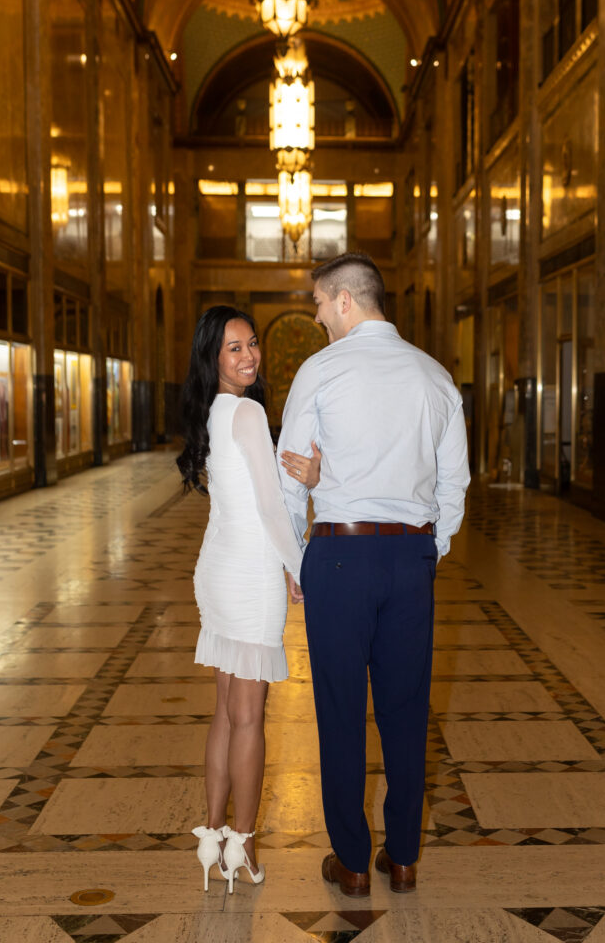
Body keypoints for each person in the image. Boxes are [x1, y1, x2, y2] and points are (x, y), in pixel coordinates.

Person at [278, 253, 470, 896]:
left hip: (339, 554)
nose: (314, 315)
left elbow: (290, 469)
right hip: (409, 557)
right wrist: (428, 552)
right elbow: (455, 482)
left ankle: (354, 862)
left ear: (343, 301)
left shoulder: (321, 370)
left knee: (339, 710)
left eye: (317, 303)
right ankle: (405, 858)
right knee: (406, 710)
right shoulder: (435, 376)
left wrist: (294, 553)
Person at [176, 306, 317, 894]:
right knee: (250, 716)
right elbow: (269, 505)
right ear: (214, 359)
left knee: (226, 712)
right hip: (250, 571)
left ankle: (213, 835)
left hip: (216, 569)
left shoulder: (214, 411)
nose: (249, 356)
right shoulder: (250, 411)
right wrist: (300, 564)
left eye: (251, 344)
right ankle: (244, 844)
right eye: (234, 348)